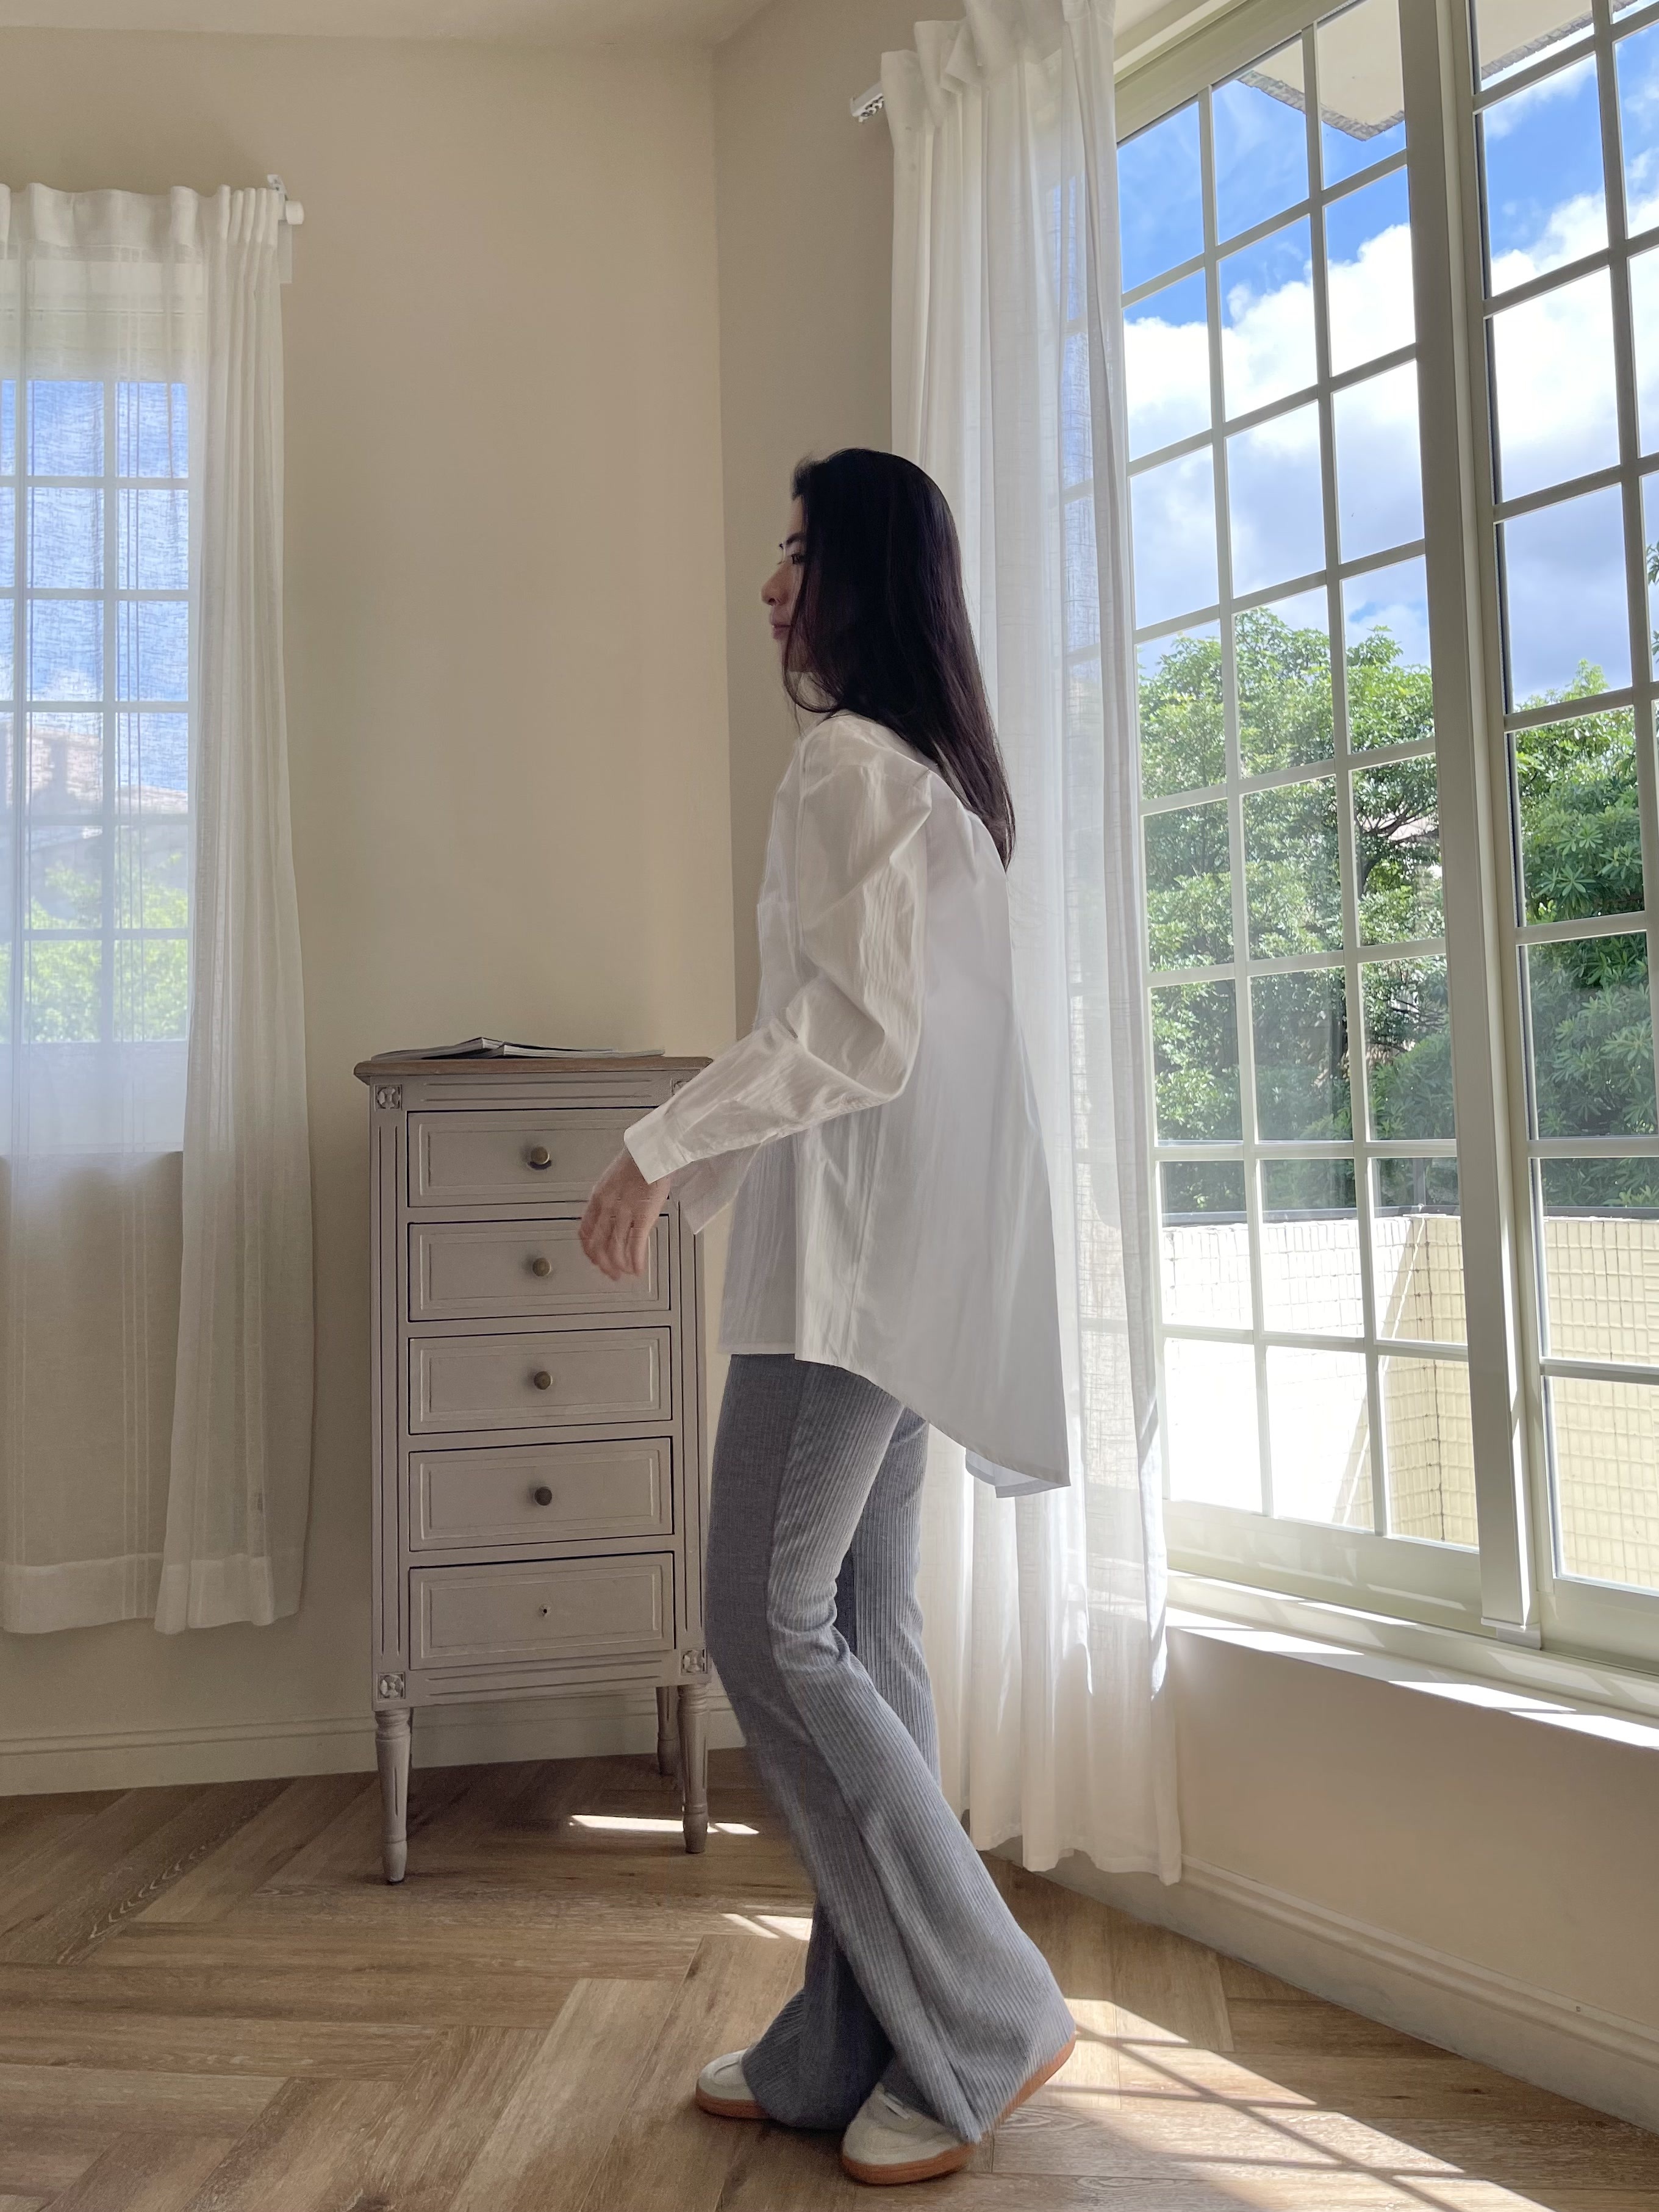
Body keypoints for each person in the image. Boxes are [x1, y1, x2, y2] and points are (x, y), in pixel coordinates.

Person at [578, 448, 1075, 2188]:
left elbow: (850, 1035)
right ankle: (855, 2037)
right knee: (867, 1622)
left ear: (865, 575)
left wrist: (657, 1147)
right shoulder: (927, 779)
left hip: (854, 1277)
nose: (773, 584)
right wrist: (692, 1162)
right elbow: (869, 1039)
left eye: (801, 551)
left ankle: (987, 2009)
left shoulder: (852, 765)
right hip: (897, 1265)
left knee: (768, 1624)